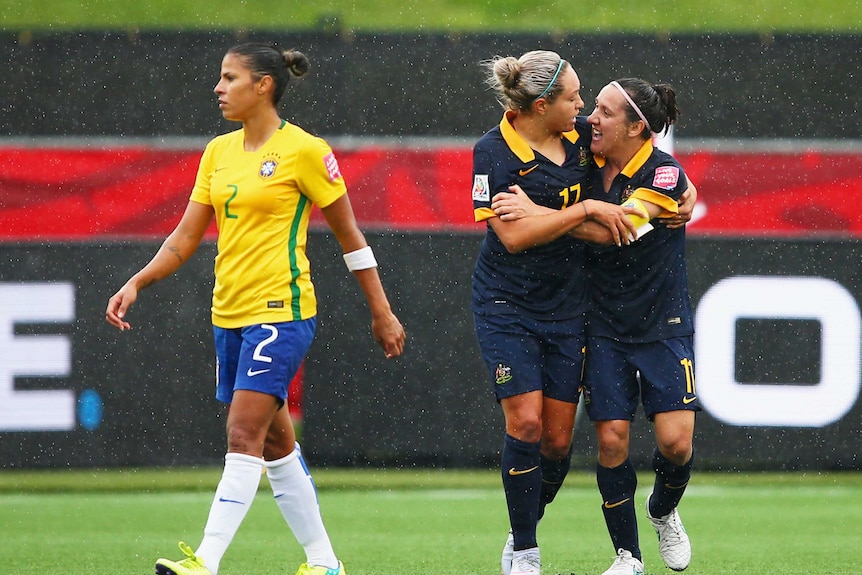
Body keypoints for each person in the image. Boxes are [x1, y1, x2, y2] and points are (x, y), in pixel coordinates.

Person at [105, 42, 405, 575]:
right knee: (272, 441)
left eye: (228, 78)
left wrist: (381, 311)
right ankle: (324, 562)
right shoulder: (218, 152)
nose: (217, 89)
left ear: (262, 85)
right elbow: (185, 236)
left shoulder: (306, 151)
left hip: (281, 311)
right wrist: (139, 281)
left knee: (242, 433)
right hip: (229, 314)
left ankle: (206, 561)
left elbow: (350, 236)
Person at [493, 77, 699, 575]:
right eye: (593, 109)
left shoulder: (666, 175)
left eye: (604, 112)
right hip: (600, 325)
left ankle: (663, 510)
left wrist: (539, 212)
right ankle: (628, 556)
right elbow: (526, 133)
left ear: (638, 128)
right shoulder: (584, 153)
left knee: (676, 444)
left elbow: (621, 230)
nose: (591, 119)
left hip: (662, 325)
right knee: (610, 441)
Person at [470, 50, 641, 575]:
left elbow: (645, 161)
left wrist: (684, 189)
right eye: (573, 98)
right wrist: (585, 209)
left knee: (558, 441)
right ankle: (525, 550)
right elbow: (515, 237)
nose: (585, 107)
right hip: (507, 305)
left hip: (569, 309)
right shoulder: (491, 153)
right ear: (542, 105)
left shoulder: (582, 141)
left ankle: (521, 522)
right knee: (524, 423)